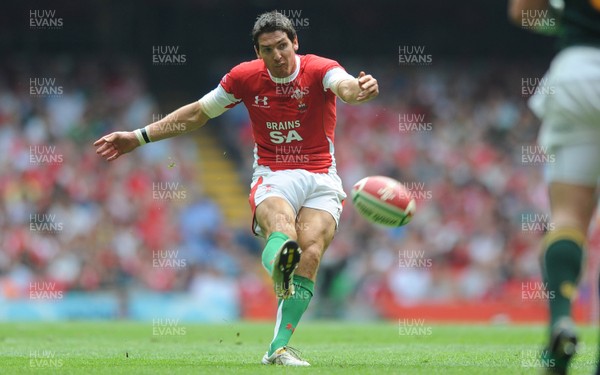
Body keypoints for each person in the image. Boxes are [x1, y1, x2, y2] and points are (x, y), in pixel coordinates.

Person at [94, 10, 378, 366]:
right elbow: (198, 113)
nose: (277, 55)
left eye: (282, 46)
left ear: (295, 44)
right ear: (257, 53)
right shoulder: (244, 78)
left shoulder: (320, 69)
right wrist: (138, 137)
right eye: (267, 49)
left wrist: (360, 89)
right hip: (274, 173)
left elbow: (347, 88)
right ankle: (278, 258)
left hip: (322, 177)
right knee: (283, 227)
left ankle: (278, 346)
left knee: (313, 253)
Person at [509, 1, 600, 374]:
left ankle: (561, 319)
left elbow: (522, 10)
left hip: (577, 69)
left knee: (567, 217)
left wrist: (565, 24)